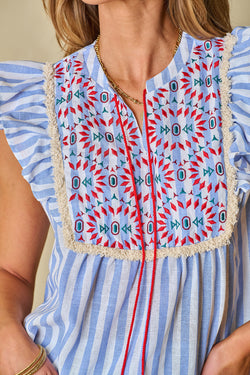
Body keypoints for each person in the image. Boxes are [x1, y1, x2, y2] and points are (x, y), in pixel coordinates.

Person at [0, 0, 249, 374]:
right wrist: (19, 355)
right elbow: (11, 273)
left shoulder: (238, 79)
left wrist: (239, 351)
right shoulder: (37, 105)